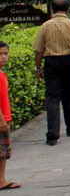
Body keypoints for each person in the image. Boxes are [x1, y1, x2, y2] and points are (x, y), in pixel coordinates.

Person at [33, 0, 70, 146]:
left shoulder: (45, 26)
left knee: (52, 98)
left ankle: (52, 134)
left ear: (52, 9)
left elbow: (39, 50)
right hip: (69, 62)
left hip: (51, 62)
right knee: (69, 96)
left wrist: (38, 68)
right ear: (68, 9)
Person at [0, 42, 20, 189]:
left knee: (3, 151)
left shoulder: (2, 74)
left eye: (6, 54)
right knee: (2, 150)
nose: (4, 57)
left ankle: (2, 178)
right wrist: (1, 119)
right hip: (1, 118)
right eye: (0, 54)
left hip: (5, 117)